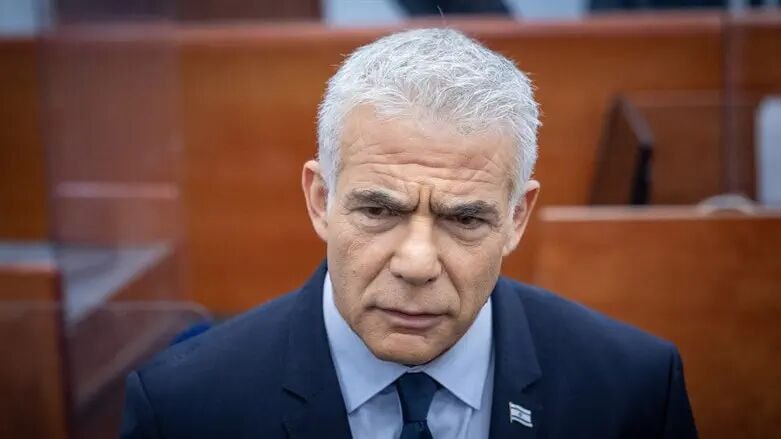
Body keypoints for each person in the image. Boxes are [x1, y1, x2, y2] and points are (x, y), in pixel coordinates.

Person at [121, 28, 697, 438]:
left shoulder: (634, 390)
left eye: (464, 219)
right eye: (378, 211)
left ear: (516, 217)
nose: (417, 264)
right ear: (321, 200)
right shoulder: (183, 409)